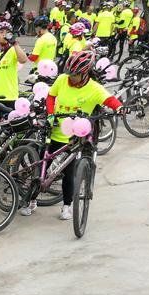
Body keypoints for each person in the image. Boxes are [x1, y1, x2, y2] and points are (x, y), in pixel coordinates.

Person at [42, 50, 122, 220]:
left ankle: (66, 206)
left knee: (68, 174)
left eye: (75, 75)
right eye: (69, 73)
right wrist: (50, 114)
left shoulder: (94, 88)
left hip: (73, 138)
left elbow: (109, 100)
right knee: (41, 167)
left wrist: (121, 108)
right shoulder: (63, 79)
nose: (70, 77)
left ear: (84, 73)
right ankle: (31, 201)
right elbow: (50, 96)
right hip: (54, 131)